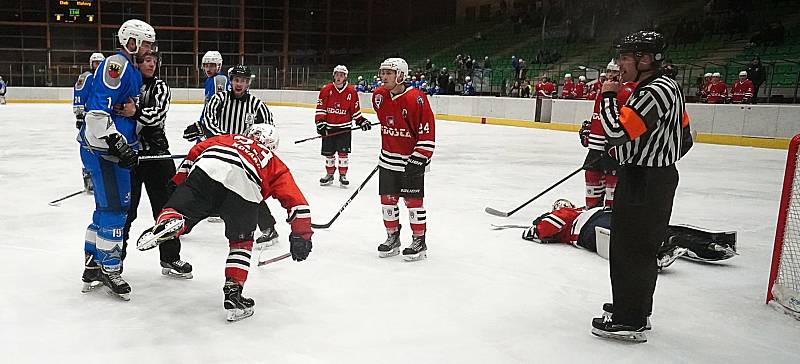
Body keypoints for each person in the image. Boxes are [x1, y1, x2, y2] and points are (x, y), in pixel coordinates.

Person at [135, 125, 312, 322]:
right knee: (241, 244)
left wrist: (180, 181)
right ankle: (233, 293)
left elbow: (195, 152)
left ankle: (171, 220)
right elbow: (297, 203)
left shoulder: (228, 138)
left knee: (179, 210)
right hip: (246, 189)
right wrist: (301, 236)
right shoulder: (273, 161)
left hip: (209, 168)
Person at [594, 30, 693, 343]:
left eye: (626, 57)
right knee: (631, 248)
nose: (620, 64)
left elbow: (617, 130)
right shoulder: (658, 87)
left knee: (632, 250)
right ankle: (632, 308)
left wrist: (608, 95)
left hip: (646, 181)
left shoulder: (655, 90)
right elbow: (684, 136)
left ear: (646, 59)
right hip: (648, 177)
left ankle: (631, 318)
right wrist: (625, 153)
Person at [79, 19, 155, 300]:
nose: (148, 49)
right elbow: (98, 111)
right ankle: (110, 267)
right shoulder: (117, 64)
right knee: (115, 211)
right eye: (144, 43)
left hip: (110, 149)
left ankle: (92, 264)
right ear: (130, 41)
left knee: (103, 210)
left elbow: (124, 108)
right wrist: (116, 143)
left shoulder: (131, 68)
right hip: (105, 151)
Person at [116, 49, 192, 279]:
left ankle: (170, 258)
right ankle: (114, 262)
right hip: (130, 157)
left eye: (154, 61)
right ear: (137, 64)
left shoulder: (160, 87)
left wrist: (134, 111)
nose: (151, 64)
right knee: (125, 213)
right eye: (146, 60)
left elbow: (155, 116)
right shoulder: (125, 86)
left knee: (166, 211)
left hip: (157, 158)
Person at [186, 64, 279, 249]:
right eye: (237, 80)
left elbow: (268, 131)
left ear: (248, 83)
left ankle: (269, 229)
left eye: (243, 81)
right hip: (219, 154)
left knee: (249, 191)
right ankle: (184, 222)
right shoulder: (218, 99)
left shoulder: (258, 106)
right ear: (231, 81)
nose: (239, 84)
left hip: (244, 159)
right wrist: (228, 143)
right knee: (205, 187)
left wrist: (252, 149)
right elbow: (209, 124)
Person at [519, 199, 735, 268]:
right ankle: (711, 243)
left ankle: (663, 250)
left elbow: (545, 228)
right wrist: (536, 229)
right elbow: (547, 228)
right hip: (597, 222)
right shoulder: (572, 213)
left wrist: (534, 229)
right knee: (648, 230)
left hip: (594, 224)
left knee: (638, 232)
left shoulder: (570, 213)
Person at [369, 58, 436, 261]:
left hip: (411, 160)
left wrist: (420, 158)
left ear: (401, 75)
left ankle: (419, 240)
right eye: (383, 72)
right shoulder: (378, 96)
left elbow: (427, 132)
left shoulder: (417, 99)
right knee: (387, 202)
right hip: (388, 159)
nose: (384, 76)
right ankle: (392, 237)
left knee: (413, 202)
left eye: (389, 73)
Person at [579, 59, 637, 209]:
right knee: (592, 192)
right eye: (609, 71)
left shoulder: (627, 92)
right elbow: (602, 114)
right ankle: (591, 220)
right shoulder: (605, 89)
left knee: (612, 198)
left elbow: (621, 122)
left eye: (615, 72)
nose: (611, 75)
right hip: (595, 149)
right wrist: (591, 131)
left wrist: (612, 141)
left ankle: (608, 224)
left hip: (613, 151)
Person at [315, 65, 370, 187]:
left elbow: (355, 111)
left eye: (341, 75)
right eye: (337, 74)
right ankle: (329, 174)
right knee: (329, 154)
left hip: (344, 128)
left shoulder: (351, 92)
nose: (339, 77)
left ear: (345, 77)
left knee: (343, 154)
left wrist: (361, 121)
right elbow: (321, 108)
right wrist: (320, 123)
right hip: (329, 127)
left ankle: (342, 175)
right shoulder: (326, 90)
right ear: (333, 75)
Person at [73, 52, 105, 194]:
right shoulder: (86, 77)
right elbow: (79, 95)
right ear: (91, 64)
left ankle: (101, 178)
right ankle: (88, 177)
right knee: (87, 146)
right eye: (95, 63)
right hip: (88, 117)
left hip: (102, 118)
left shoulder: (105, 77)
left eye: (100, 63)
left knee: (101, 146)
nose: (97, 65)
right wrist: (80, 116)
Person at [183, 50, 230, 142]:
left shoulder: (219, 80)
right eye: (206, 65)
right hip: (208, 124)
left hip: (214, 128)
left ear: (219, 66)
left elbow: (218, 108)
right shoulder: (210, 80)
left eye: (212, 65)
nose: (208, 69)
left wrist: (205, 127)